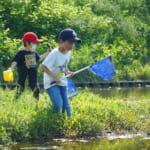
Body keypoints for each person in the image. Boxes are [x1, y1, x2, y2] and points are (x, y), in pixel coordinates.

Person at [41, 28, 81, 118]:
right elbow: (43, 66)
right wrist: (55, 77)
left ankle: (67, 121)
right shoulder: (54, 54)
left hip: (62, 80)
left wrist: (68, 71)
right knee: (58, 104)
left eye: (73, 43)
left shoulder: (68, 52)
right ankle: (50, 118)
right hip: (52, 83)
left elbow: (64, 64)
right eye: (70, 43)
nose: (72, 45)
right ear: (62, 41)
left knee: (66, 104)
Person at [9, 32, 51, 100]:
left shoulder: (33, 52)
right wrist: (11, 68)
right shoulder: (21, 52)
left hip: (33, 73)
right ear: (27, 43)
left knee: (35, 88)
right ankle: (15, 100)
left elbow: (39, 59)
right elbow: (15, 61)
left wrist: (47, 53)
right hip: (23, 73)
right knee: (21, 87)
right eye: (33, 43)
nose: (35, 45)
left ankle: (36, 102)